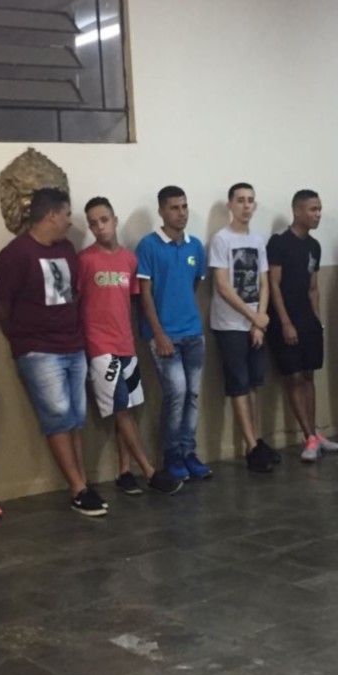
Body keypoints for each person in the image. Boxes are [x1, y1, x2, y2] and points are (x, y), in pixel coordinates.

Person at [0, 187, 107, 515]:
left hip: (72, 343)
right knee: (57, 416)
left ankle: (82, 481)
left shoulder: (66, 249)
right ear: (51, 215)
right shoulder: (16, 253)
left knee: (75, 417)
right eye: (67, 215)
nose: (70, 222)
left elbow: (73, 293)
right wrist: (19, 337)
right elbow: (0, 302)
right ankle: (77, 488)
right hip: (39, 349)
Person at [77, 197, 181, 496]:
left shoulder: (129, 260)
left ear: (114, 220)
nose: (100, 227)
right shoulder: (84, 260)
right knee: (121, 408)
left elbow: (136, 301)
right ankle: (149, 471)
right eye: (93, 223)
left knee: (130, 408)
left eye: (104, 220)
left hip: (126, 343)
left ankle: (125, 471)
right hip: (100, 347)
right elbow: (76, 301)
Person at [137, 186, 212, 482]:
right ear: (161, 212)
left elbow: (194, 286)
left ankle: (188, 451)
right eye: (174, 208)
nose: (181, 213)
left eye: (184, 207)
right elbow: (145, 294)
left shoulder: (195, 247)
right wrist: (159, 333)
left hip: (192, 332)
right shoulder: (149, 246)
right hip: (164, 336)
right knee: (176, 393)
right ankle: (172, 454)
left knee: (193, 394)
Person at [209, 183, 276, 473]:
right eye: (240, 200)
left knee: (255, 383)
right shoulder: (221, 240)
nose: (246, 206)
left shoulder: (258, 240)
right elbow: (223, 286)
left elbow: (264, 282)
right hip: (230, 325)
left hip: (254, 324)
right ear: (230, 205)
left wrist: (260, 319)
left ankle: (258, 440)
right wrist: (252, 316)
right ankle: (250, 447)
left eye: (250, 201)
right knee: (239, 384)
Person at [267, 190, 334, 461]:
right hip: (285, 319)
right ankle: (308, 436)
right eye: (312, 209)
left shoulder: (314, 246)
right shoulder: (279, 243)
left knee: (308, 375)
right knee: (293, 377)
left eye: (319, 209)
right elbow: (274, 285)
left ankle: (314, 432)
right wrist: (285, 322)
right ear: (297, 211)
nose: (317, 214)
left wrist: (317, 320)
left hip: (308, 321)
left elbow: (313, 286)